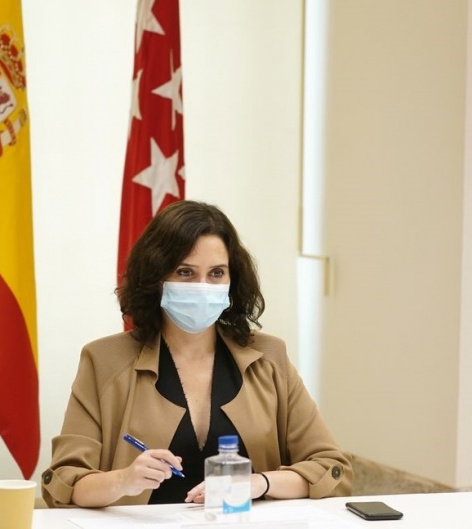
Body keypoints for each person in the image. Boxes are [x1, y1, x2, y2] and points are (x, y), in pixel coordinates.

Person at [42, 200, 352, 507]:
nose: (202, 286)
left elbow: (332, 469)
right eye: (185, 272)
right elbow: (65, 483)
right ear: (156, 279)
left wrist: (260, 482)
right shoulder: (104, 360)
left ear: (232, 280)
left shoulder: (269, 358)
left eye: (216, 273)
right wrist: (123, 479)